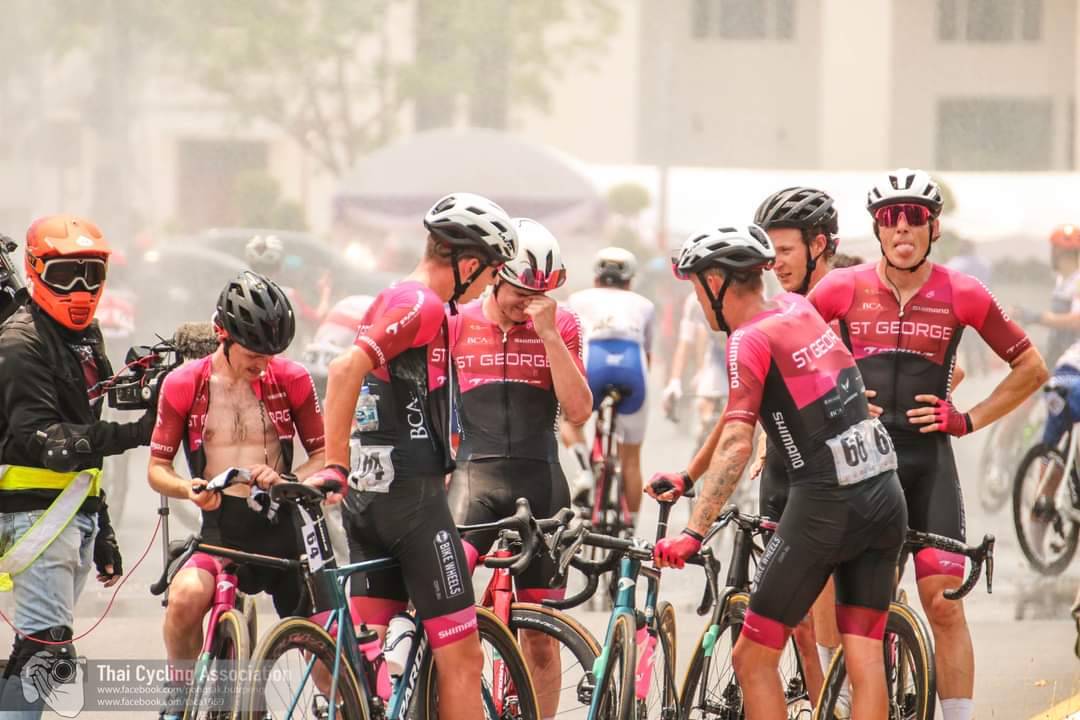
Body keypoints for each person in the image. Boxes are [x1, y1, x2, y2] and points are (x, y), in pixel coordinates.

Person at [808, 168, 1048, 720]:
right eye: (890, 217)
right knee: (857, 608)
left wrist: (966, 420)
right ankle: (838, 704)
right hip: (862, 469)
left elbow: (1031, 368)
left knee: (943, 603)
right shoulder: (841, 288)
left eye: (914, 217)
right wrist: (836, 402)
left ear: (933, 227)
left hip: (927, 465)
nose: (902, 228)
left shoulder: (963, 292)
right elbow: (786, 353)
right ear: (877, 228)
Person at [651, 223, 908, 719]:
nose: (698, 302)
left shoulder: (747, 339)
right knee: (865, 658)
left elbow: (737, 442)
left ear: (715, 283)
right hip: (883, 495)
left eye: (697, 288)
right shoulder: (797, 307)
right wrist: (689, 475)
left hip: (825, 508)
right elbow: (738, 414)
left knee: (752, 657)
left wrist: (692, 532)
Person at [308, 193, 517, 720]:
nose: (491, 283)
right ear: (467, 263)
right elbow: (344, 370)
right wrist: (334, 463)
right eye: (492, 270)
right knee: (463, 661)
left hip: (370, 503)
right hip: (412, 505)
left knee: (369, 673)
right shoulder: (421, 304)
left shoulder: (396, 296)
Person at [147, 271, 325, 717]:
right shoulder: (185, 383)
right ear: (223, 336)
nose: (262, 364)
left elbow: (325, 456)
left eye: (271, 354)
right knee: (185, 599)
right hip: (222, 530)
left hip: (283, 530)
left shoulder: (292, 378)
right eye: (253, 353)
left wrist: (286, 479)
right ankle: (179, 699)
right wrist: (188, 488)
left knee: (326, 640)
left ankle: (343, 704)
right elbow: (157, 469)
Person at [0, 216, 156, 718]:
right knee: (46, 653)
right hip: (33, 520)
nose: (81, 289)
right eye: (66, 274)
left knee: (40, 651)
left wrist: (101, 523)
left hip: (71, 513)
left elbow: (83, 439)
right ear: (34, 269)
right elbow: (48, 441)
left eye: (92, 273)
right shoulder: (19, 342)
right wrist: (136, 433)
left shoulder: (85, 336)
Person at [446, 218, 591, 718]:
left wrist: (548, 335)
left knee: (540, 640)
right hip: (474, 480)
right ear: (494, 276)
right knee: (443, 611)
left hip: (541, 482)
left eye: (538, 294)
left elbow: (578, 412)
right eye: (518, 292)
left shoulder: (562, 324)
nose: (525, 304)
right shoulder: (457, 320)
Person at [563, 247, 655, 524]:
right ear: (630, 281)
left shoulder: (577, 299)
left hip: (594, 364)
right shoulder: (644, 304)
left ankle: (584, 472)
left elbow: (568, 346)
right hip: (633, 368)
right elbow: (648, 357)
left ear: (596, 278)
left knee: (570, 424)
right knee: (631, 458)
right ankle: (630, 530)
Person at [245, 234, 332, 342]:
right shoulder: (288, 295)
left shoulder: (236, 292)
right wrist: (325, 292)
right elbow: (316, 318)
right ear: (278, 267)